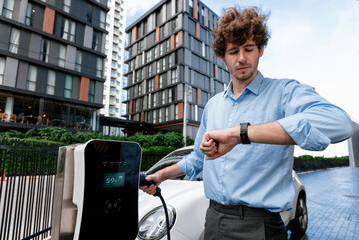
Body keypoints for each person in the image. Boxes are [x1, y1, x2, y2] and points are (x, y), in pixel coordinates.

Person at [140, 6, 353, 239]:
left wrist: (242, 133)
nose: (242, 58)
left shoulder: (283, 92)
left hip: (259, 226)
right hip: (212, 219)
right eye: (233, 51)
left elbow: (339, 123)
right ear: (222, 57)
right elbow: (198, 159)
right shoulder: (212, 106)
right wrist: (161, 176)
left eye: (249, 49)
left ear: (261, 49)